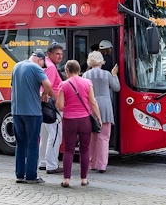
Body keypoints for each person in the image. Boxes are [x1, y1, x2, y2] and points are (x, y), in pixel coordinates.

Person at [55, 60, 101, 188]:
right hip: (85, 120)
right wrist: (99, 118)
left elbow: (59, 105)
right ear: (79, 71)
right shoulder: (87, 83)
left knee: (69, 150)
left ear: (67, 71)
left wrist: (68, 107)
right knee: (85, 149)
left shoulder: (63, 85)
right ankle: (84, 179)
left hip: (69, 121)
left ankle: (66, 180)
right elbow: (93, 102)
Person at [11, 51, 55, 184]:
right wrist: (45, 95)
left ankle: (19, 175)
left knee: (21, 144)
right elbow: (47, 85)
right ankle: (31, 176)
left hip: (16, 111)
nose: (43, 67)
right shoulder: (36, 67)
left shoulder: (16, 66)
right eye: (43, 64)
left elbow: (12, 86)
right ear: (40, 60)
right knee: (33, 144)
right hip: (32, 112)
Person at [82, 51, 119, 173]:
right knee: (104, 137)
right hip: (105, 107)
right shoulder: (107, 74)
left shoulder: (86, 75)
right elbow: (116, 88)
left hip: (91, 106)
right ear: (101, 61)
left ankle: (92, 163)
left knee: (92, 137)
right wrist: (114, 75)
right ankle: (102, 165)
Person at [38, 43, 64, 174]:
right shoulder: (52, 67)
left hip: (42, 104)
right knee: (55, 135)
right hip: (51, 105)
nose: (60, 56)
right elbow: (47, 86)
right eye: (57, 54)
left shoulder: (44, 65)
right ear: (49, 54)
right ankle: (52, 165)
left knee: (45, 134)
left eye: (61, 53)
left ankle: (43, 162)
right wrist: (56, 101)